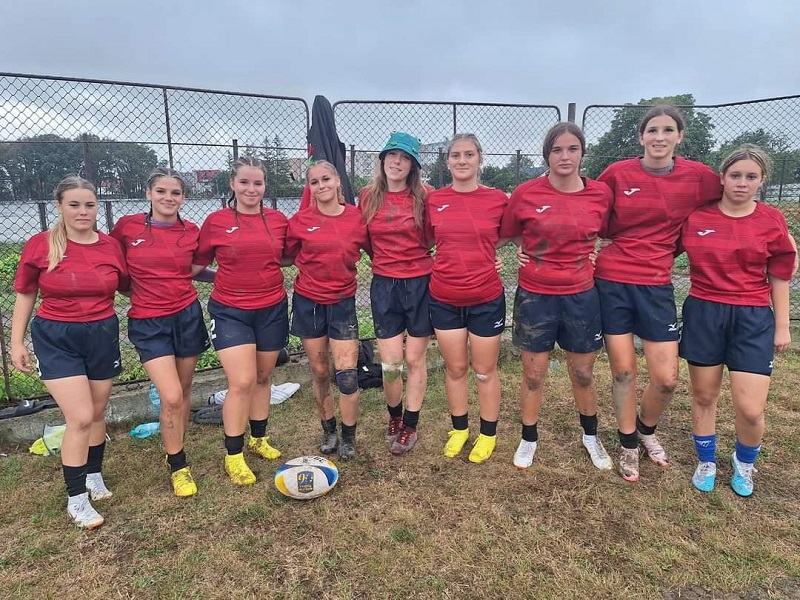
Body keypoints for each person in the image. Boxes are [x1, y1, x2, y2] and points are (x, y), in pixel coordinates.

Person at [595, 105, 721, 482]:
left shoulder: (699, 177)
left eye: (668, 130)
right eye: (652, 130)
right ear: (641, 137)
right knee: (623, 372)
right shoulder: (617, 174)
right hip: (613, 281)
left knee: (666, 378)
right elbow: (589, 210)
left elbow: (735, 197)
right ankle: (628, 444)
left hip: (656, 284)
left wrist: (778, 233)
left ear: (680, 136)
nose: (659, 137)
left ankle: (645, 429)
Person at [11, 176, 128, 529]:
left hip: (102, 334)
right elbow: (26, 293)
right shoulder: (41, 245)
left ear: (97, 207)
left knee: (97, 412)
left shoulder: (110, 246)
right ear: (59, 206)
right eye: (74, 204)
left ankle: (93, 474)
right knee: (80, 417)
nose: (82, 211)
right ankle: (76, 499)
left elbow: (128, 287)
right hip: (57, 337)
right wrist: (16, 342)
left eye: (89, 205)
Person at [678, 145, 795, 496]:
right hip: (704, 312)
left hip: (752, 317)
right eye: (736, 175)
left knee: (751, 408)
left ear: (761, 181)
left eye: (751, 176)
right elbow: (656, 248)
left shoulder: (771, 220)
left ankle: (744, 464)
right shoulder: (697, 218)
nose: (742, 183)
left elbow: (780, 274)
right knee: (704, 395)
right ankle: (706, 461)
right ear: (723, 177)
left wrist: (782, 325)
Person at [501, 122, 614, 471]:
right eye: (557, 150)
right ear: (547, 155)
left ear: (582, 153)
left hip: (581, 296)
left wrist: (598, 251)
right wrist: (523, 248)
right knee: (534, 375)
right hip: (536, 296)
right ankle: (528, 438)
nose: (565, 156)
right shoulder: (526, 193)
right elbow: (508, 232)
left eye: (572, 149)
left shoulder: (600, 194)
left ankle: (591, 436)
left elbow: (610, 233)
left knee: (582, 373)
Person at [110, 168, 211, 498]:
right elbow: (114, 265)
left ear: (184, 197)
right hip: (148, 321)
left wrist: (230, 277)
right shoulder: (127, 227)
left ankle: (175, 444)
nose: (168, 198)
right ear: (149, 194)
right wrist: (132, 290)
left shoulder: (191, 231)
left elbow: (194, 270)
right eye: (161, 191)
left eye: (175, 193)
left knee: (183, 389)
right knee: (171, 395)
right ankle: (179, 466)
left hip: (187, 315)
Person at [194, 156, 288, 486]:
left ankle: (259, 439)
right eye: (244, 182)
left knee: (263, 377)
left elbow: (289, 255)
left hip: (272, 308)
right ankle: (233, 455)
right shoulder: (216, 221)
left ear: (265, 185)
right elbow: (196, 266)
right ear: (232, 184)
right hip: (231, 311)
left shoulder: (277, 220)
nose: (251, 189)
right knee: (242, 381)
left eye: (257, 183)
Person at [425, 133, 509, 464]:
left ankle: (488, 434)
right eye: (456, 155)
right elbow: (428, 239)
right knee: (456, 367)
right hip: (444, 297)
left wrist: (489, 252)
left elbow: (511, 233)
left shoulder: (497, 199)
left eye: (469, 154)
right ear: (447, 161)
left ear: (479, 159)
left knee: (484, 371)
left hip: (486, 297)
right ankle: (459, 429)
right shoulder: (435, 200)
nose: (462, 160)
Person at [285, 160, 369, 460]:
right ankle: (329, 430)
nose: (321, 186)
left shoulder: (357, 218)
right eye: (314, 182)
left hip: (342, 303)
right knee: (320, 371)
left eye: (326, 179)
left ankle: (349, 436)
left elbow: (382, 250)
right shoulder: (299, 221)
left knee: (347, 374)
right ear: (309, 187)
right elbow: (284, 256)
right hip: (308, 302)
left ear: (337, 182)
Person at [359, 132, 432, 455]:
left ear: (413, 165)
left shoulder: (425, 197)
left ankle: (410, 425)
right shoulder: (368, 196)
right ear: (383, 159)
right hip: (385, 285)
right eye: (392, 155)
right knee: (391, 364)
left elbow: (436, 236)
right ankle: (395, 417)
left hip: (420, 284)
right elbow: (365, 240)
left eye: (404, 158)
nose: (397, 162)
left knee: (415, 359)